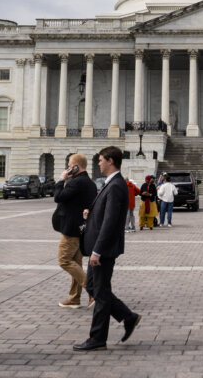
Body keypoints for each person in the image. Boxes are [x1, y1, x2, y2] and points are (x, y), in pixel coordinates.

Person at [75, 146, 141, 351]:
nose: (98, 163)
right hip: (100, 247)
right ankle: (128, 316)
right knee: (94, 288)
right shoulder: (111, 184)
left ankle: (97, 339)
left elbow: (111, 221)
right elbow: (105, 213)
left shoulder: (115, 185)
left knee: (100, 292)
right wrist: (91, 212)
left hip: (103, 249)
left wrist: (98, 251)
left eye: (101, 160)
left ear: (111, 161)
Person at [52, 153, 97, 309]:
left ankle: (92, 290)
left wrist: (61, 180)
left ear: (77, 166)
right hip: (81, 228)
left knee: (64, 260)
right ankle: (74, 298)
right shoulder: (90, 183)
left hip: (70, 228)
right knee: (76, 263)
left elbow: (58, 197)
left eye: (70, 165)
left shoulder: (76, 182)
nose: (68, 168)